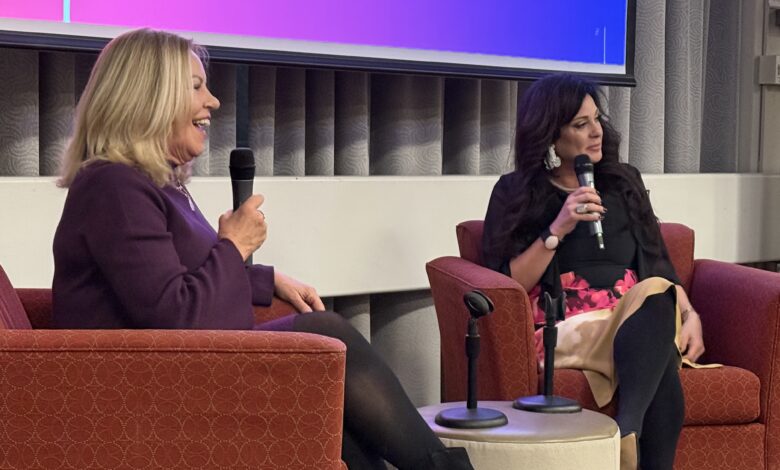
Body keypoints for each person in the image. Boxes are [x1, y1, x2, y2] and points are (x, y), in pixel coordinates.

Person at [52, 28, 473, 470]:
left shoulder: (147, 183)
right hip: (140, 394)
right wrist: (234, 245)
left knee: (325, 395)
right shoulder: (114, 185)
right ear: (148, 98)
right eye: (196, 87)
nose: (212, 101)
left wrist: (263, 277)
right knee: (327, 335)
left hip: (168, 374)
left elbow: (162, 279)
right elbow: (177, 317)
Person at [482, 73, 705, 470]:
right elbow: (506, 286)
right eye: (580, 124)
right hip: (567, 328)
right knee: (661, 370)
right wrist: (558, 227)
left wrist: (689, 316)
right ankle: (629, 431)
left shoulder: (624, 183)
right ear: (552, 135)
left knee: (655, 296)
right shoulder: (517, 191)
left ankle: (626, 428)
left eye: (597, 120)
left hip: (635, 322)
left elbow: (659, 267)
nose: (596, 132)